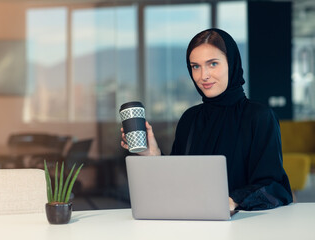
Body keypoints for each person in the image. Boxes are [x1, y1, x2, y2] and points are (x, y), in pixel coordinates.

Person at [121, 28, 293, 211]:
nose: (203, 76)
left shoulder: (259, 116)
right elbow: (178, 180)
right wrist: (153, 154)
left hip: (244, 225)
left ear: (231, 63)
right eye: (196, 66)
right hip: (191, 220)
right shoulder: (190, 118)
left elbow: (274, 186)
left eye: (212, 64)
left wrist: (232, 201)